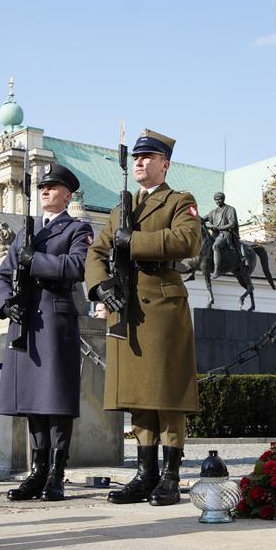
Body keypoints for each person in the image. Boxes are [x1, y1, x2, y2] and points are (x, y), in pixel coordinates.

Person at [84, 129, 201, 506]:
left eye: (149, 157)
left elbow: (188, 241)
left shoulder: (179, 201)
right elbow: (96, 253)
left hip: (162, 307)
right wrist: (100, 287)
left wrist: (132, 243)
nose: (140, 162)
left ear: (165, 165)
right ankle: (145, 473)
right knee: (138, 397)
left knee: (167, 395)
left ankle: (170, 476)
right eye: (136, 157)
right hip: (127, 309)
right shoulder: (122, 208)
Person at [0, 163, 93, 501]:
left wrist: (34, 260)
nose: (45, 191)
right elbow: (2, 276)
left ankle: (56, 473)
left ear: (67, 194)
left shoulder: (77, 229)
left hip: (54, 319)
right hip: (26, 321)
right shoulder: (27, 230)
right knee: (34, 401)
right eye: (42, 187)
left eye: (52, 187)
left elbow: (77, 267)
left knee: (57, 400)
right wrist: (7, 304)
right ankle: (36, 471)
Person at [205, 190, 246, 275]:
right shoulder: (213, 212)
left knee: (216, 246)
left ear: (223, 199)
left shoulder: (230, 209)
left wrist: (218, 227)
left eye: (219, 199)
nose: (217, 201)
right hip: (215, 234)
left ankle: (217, 270)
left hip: (225, 234)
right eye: (216, 200)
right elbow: (203, 219)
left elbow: (232, 224)